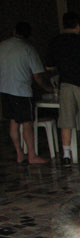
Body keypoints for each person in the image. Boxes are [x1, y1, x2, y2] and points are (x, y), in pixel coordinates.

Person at [46, 12, 80, 163]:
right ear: (78, 25)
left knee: (66, 121)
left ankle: (66, 155)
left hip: (65, 83)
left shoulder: (55, 41)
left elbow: (49, 66)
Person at [0, 21, 52, 164]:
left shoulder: (2, 46)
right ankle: (32, 155)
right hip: (22, 91)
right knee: (27, 123)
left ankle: (19, 153)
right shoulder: (28, 48)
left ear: (14, 31)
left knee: (13, 122)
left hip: (5, 89)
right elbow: (37, 76)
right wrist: (47, 88)